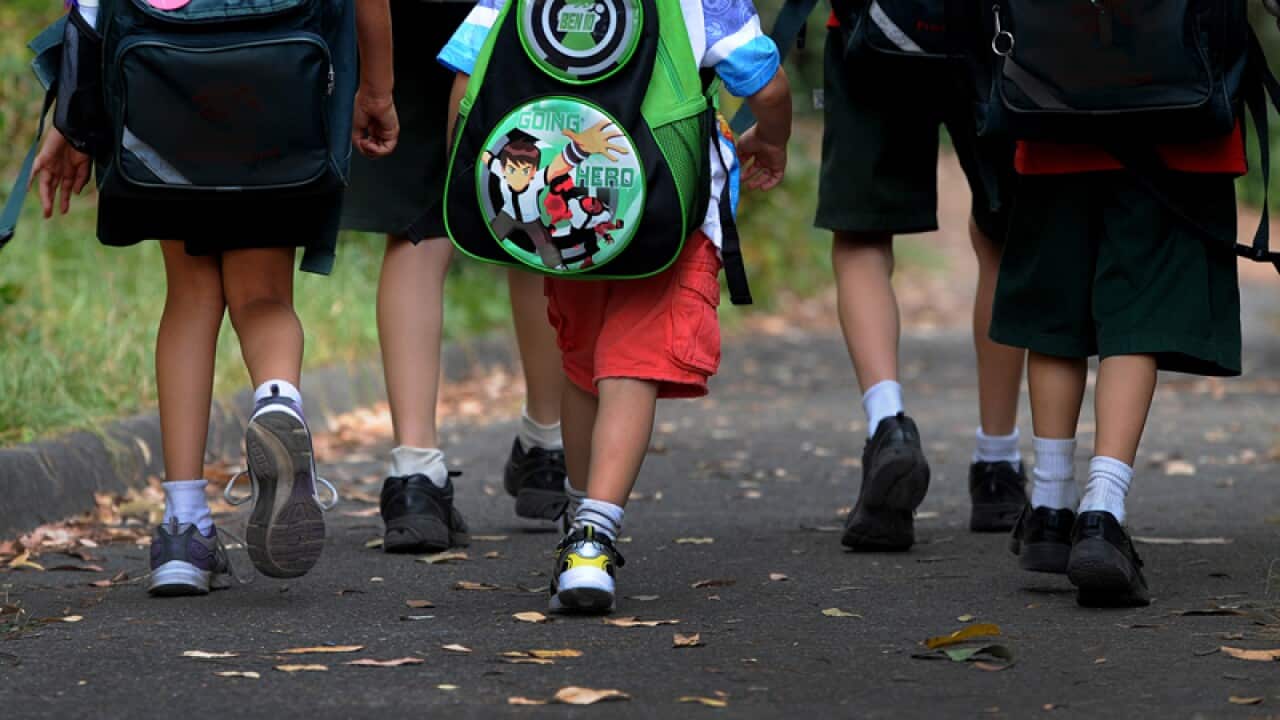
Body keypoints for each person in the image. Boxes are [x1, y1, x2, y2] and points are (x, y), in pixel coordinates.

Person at [31, 0, 400, 595]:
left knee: (189, 297)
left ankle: (183, 529)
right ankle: (277, 401)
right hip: (277, 91)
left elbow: (92, 10)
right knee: (264, 299)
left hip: (165, 93)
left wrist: (71, 121)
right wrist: (376, 93)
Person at [440, 0, 792, 614]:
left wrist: (471, 173)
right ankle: (593, 538)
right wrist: (774, 139)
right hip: (668, 208)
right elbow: (768, 84)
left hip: (564, 215)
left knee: (582, 366)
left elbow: (468, 79)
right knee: (631, 362)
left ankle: (578, 524)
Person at [995, 0, 1280, 604]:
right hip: (1177, 105)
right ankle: (1102, 510)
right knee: (1138, 312)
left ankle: (1049, 505)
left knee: (1057, 313)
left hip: (1054, 95)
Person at [340, 0, 569, 554]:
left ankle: (414, 473)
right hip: (518, 15)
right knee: (529, 205)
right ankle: (547, 444)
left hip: (400, 15)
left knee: (418, 227)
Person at [818, 11, 1028, 552]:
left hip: (875, 23)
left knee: (864, 234)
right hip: (997, 28)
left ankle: (888, 424)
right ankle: (998, 468)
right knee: (1003, 236)